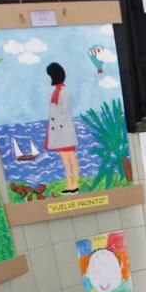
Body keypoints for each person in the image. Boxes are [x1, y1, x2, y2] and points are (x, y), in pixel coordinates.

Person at [45, 62, 80, 194]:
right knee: (65, 160)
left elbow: (65, 112)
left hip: (64, 132)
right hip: (59, 132)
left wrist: (59, 127)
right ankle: (69, 185)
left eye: (48, 75)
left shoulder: (63, 92)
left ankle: (75, 184)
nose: (47, 78)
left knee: (71, 158)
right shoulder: (56, 91)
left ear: (54, 75)